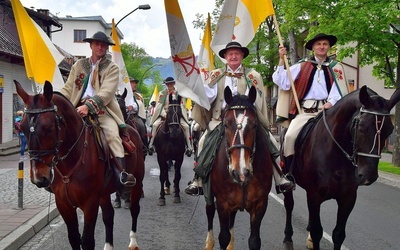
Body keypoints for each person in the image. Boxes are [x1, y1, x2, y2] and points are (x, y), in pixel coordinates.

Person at [185, 41, 295, 196]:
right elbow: (208, 98)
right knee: (203, 141)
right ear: (225, 57)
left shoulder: (253, 76)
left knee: (271, 140)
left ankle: (280, 177)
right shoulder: (215, 75)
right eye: (230, 54)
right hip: (222, 120)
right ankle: (198, 180)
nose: (234, 56)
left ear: (242, 55)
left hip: (246, 119)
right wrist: (199, 89)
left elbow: (256, 101)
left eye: (237, 53)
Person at [60, 31, 136, 198]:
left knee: (112, 135)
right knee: (57, 133)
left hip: (103, 111)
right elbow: (68, 88)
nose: (100, 47)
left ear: (106, 48)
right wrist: (56, 100)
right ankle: (53, 175)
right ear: (91, 46)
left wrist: (89, 106)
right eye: (97, 44)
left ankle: (121, 176)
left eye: (103, 45)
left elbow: (107, 92)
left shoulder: (112, 67)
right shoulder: (78, 65)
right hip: (76, 109)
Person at [272, 33, 349, 170]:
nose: (322, 47)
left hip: (329, 111)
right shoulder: (302, 65)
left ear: (329, 47)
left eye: (325, 44)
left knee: (347, 136)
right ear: (313, 47)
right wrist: (281, 60)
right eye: (318, 44)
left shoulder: (336, 67)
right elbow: (282, 82)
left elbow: (339, 90)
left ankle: (351, 169)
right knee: (290, 136)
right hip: (306, 112)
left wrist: (331, 103)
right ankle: (288, 172)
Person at [148, 77, 193, 157]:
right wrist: (164, 114)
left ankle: (189, 147)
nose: (169, 85)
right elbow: (159, 106)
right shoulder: (162, 93)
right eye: (168, 84)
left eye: (171, 83)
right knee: (155, 125)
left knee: (186, 126)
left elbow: (182, 106)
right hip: (164, 114)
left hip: (176, 115)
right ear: (166, 84)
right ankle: (151, 145)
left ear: (174, 84)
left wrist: (178, 114)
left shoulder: (179, 94)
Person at [126, 77, 148, 152]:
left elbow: (137, 105)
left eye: (135, 83)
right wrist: (126, 107)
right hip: (122, 116)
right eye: (133, 82)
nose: (135, 84)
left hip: (133, 116)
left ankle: (144, 145)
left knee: (141, 125)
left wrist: (132, 107)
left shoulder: (136, 95)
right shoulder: (120, 92)